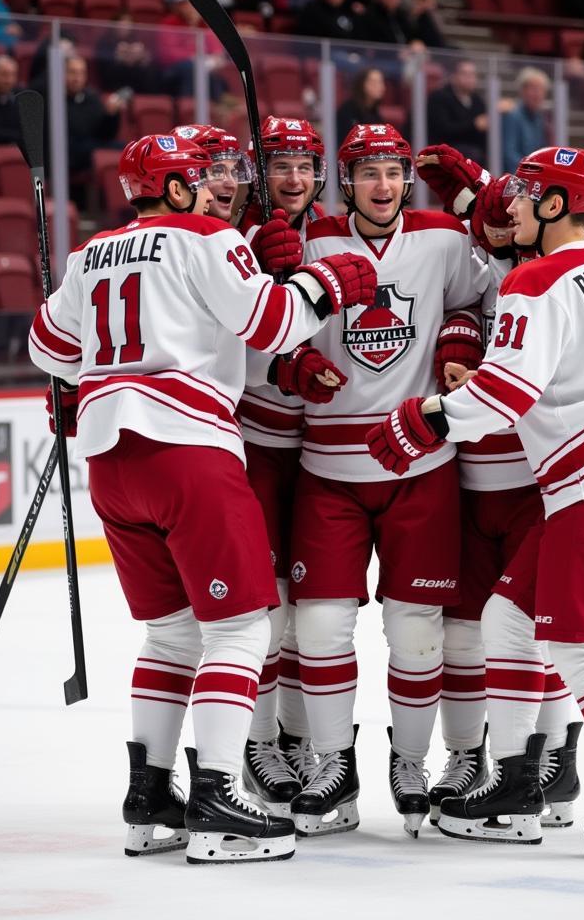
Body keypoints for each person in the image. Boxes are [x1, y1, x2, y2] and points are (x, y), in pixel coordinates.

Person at [27, 132, 377, 863]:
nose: (215, 187)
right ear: (180, 187)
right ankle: (218, 800)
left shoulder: (91, 253)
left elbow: (46, 347)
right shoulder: (208, 239)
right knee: (242, 628)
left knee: (171, 635)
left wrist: (85, 376)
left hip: (111, 464)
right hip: (186, 449)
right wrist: (328, 282)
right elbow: (273, 326)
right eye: (201, 177)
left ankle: (150, 799)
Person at [367, 146, 584, 858]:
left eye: (525, 194)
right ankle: (517, 784)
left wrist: (423, 417)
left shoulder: (535, 281)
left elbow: (504, 395)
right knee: (509, 621)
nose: (511, 204)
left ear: (553, 206)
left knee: (583, 649)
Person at [286, 123, 488, 839]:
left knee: (415, 630)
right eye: (367, 172)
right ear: (346, 181)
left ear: (408, 178)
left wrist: (459, 346)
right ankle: (332, 764)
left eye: (393, 172)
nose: (381, 185)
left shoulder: (440, 236)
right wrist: (292, 367)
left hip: (421, 466)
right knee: (318, 625)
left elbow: (473, 303)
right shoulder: (310, 244)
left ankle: (410, 760)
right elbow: (267, 334)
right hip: (328, 470)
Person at [414, 143, 582, 829]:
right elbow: (443, 317)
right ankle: (472, 758)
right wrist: (454, 337)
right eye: (490, 216)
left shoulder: (549, 279)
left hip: (535, 483)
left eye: (510, 211)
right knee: (466, 632)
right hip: (470, 482)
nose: (501, 222)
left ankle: (548, 764)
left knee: (538, 629)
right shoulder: (480, 269)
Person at [235, 117, 336, 815]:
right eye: (280, 165)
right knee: (263, 610)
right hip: (254, 447)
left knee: (314, 612)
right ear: (257, 172)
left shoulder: (336, 233)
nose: (293, 178)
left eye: (303, 164)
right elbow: (211, 341)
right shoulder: (229, 239)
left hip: (324, 451)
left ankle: (301, 740)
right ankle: (256, 741)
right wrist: (279, 361)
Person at [157, 0, 227, 101]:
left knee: (215, 79)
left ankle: (218, 111)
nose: (190, 7)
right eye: (185, 3)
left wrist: (211, 60)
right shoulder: (169, 23)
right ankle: (188, 109)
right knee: (190, 70)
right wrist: (195, 59)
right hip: (175, 72)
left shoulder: (205, 24)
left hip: (204, 72)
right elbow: (168, 54)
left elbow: (217, 52)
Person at [62, 55, 123, 176]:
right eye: (72, 72)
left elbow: (105, 135)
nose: (77, 78)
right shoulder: (54, 100)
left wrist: (111, 115)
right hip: (69, 153)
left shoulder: (92, 97)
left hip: (91, 147)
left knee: (126, 149)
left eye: (81, 73)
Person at [426, 59, 487, 162]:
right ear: (453, 76)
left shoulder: (477, 101)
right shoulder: (440, 97)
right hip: (444, 150)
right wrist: (474, 125)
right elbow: (443, 129)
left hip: (472, 149)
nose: (469, 78)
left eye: (472, 74)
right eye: (464, 74)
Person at [355, 0, 424, 50]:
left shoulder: (403, 16)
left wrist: (416, 43)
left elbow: (413, 37)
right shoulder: (367, 17)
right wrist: (398, 54)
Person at [95, 13, 158, 96]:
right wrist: (118, 56)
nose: (125, 27)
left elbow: (147, 59)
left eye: (128, 25)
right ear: (114, 25)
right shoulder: (105, 41)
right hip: (114, 79)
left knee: (149, 72)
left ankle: (151, 98)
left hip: (135, 78)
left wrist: (141, 56)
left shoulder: (135, 39)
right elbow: (103, 65)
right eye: (122, 24)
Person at [501, 67, 549, 169]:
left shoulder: (539, 118)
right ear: (522, 90)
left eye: (541, 89)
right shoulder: (513, 115)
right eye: (533, 89)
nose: (537, 94)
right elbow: (509, 154)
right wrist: (531, 170)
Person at [336, 67, 387, 140]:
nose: (381, 87)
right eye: (374, 82)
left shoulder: (375, 113)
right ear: (362, 84)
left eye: (381, 82)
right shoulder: (348, 110)